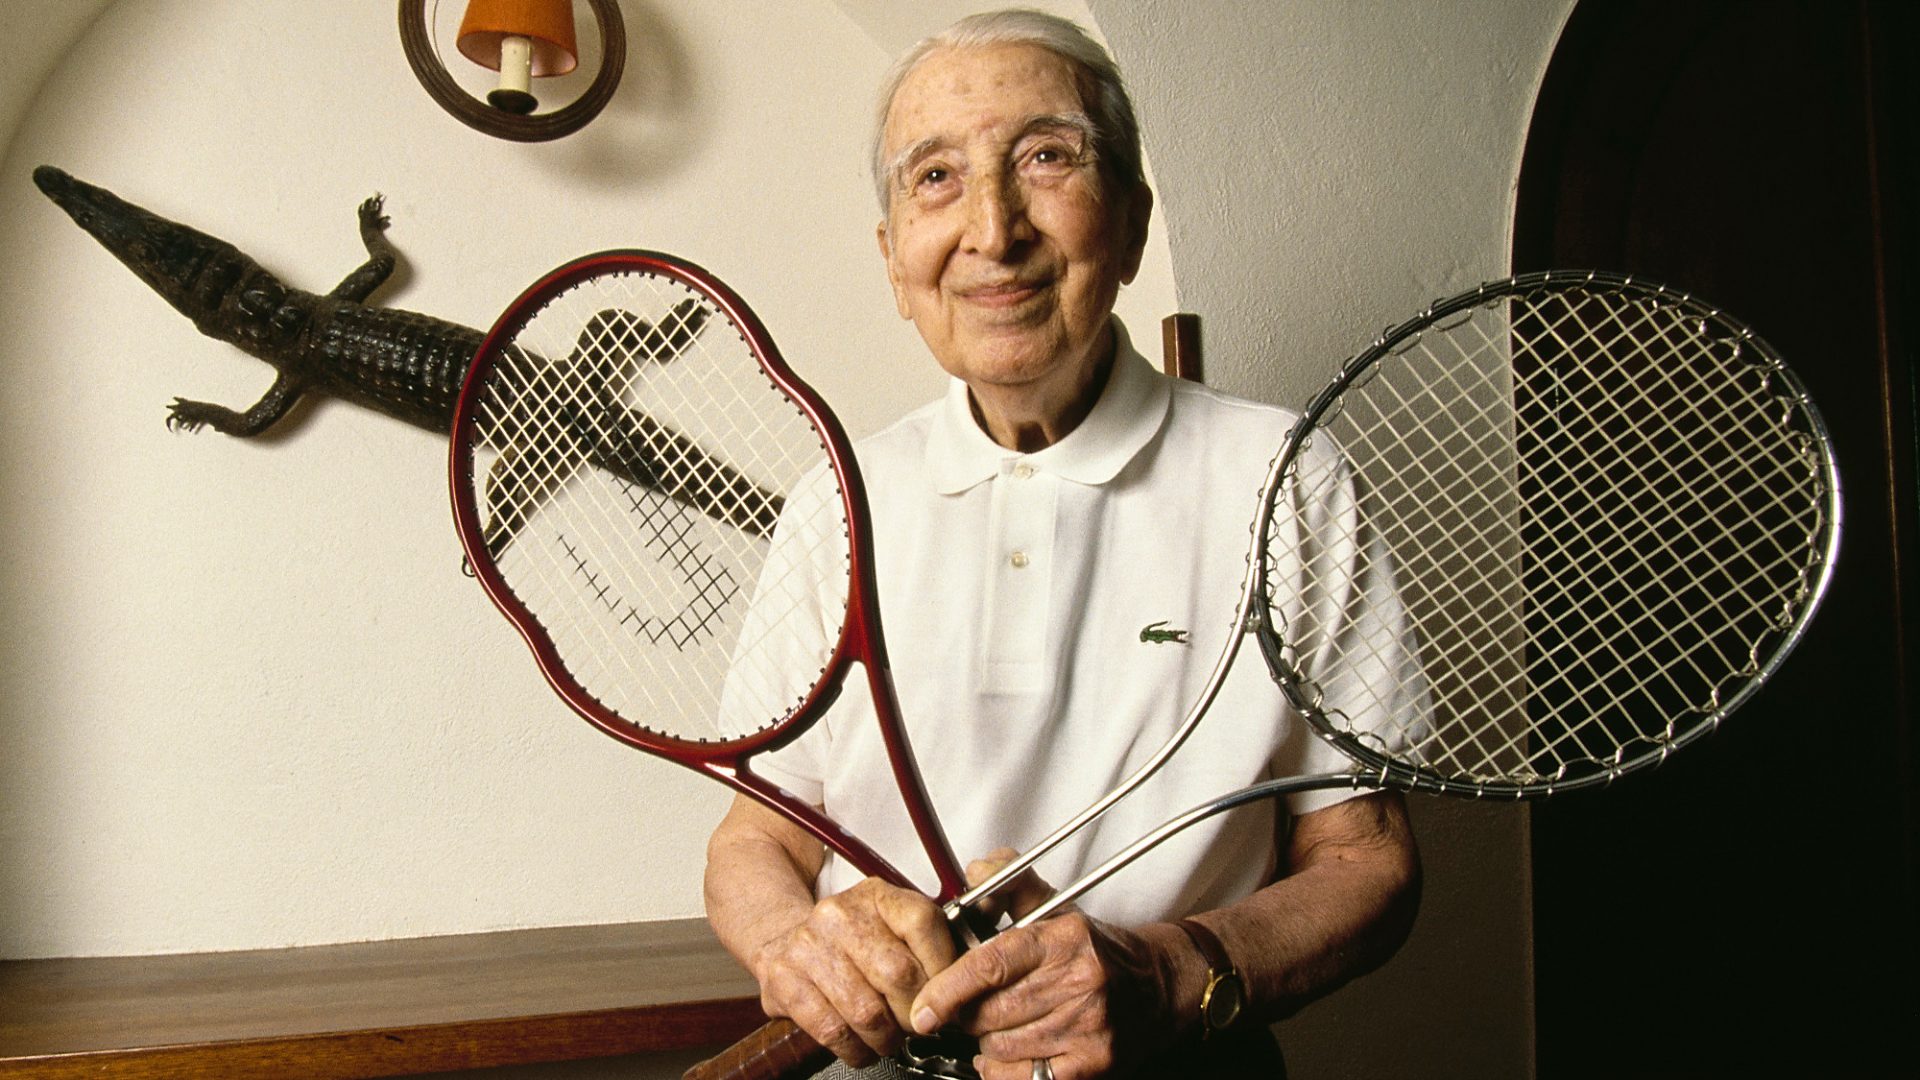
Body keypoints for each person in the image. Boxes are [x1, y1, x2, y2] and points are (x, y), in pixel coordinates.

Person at [703, 10, 1421, 1079]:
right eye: (936, 177)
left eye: (1045, 157)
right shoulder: (836, 500)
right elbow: (759, 837)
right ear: (896, 261)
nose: (994, 230)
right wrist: (795, 946)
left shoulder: (1282, 477)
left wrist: (1169, 972)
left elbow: (1368, 862)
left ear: (1130, 224)